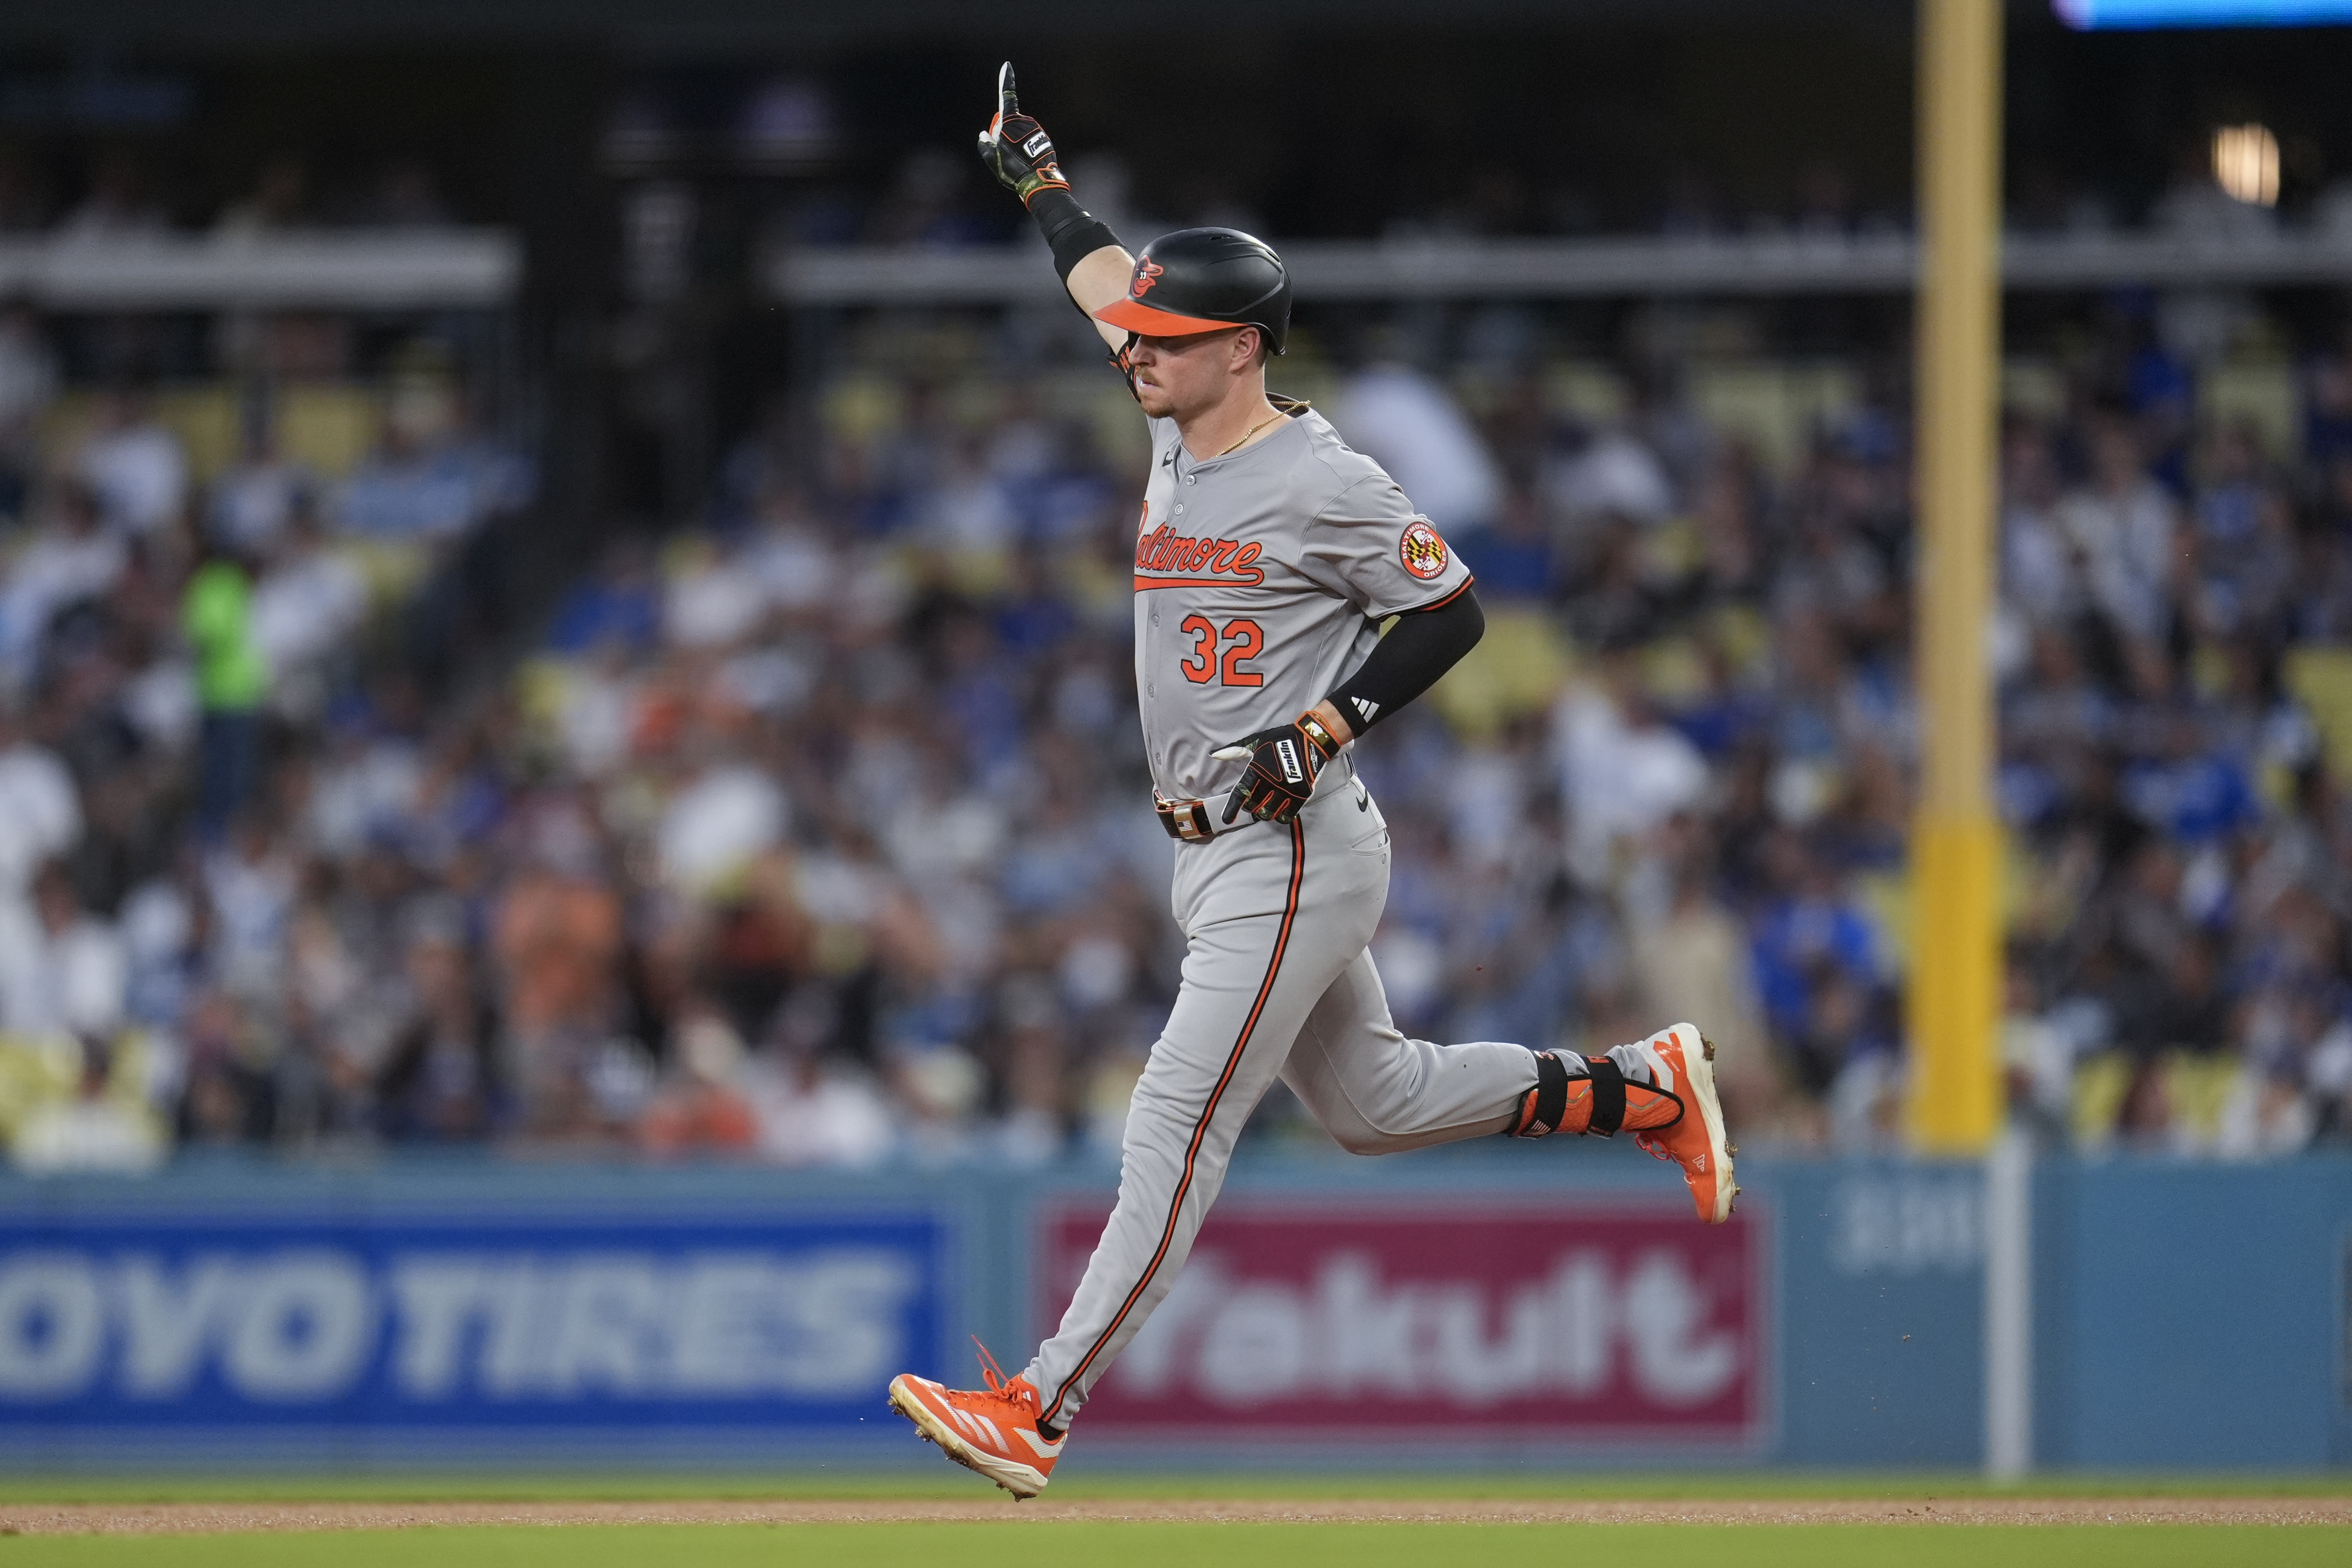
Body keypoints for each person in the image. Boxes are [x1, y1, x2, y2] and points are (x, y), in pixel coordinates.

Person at [886, 65, 1737, 1500]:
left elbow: (1455, 610)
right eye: (1142, 334)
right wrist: (1039, 183)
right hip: (1207, 845)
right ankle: (1640, 1088)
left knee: (1176, 1112)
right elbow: (1103, 281)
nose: (1137, 350)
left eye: (1168, 337)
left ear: (1244, 349)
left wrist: (1333, 724)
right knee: (1375, 1103)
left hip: (1288, 839)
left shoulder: (1325, 478)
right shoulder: (1175, 414)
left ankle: (1041, 1403)